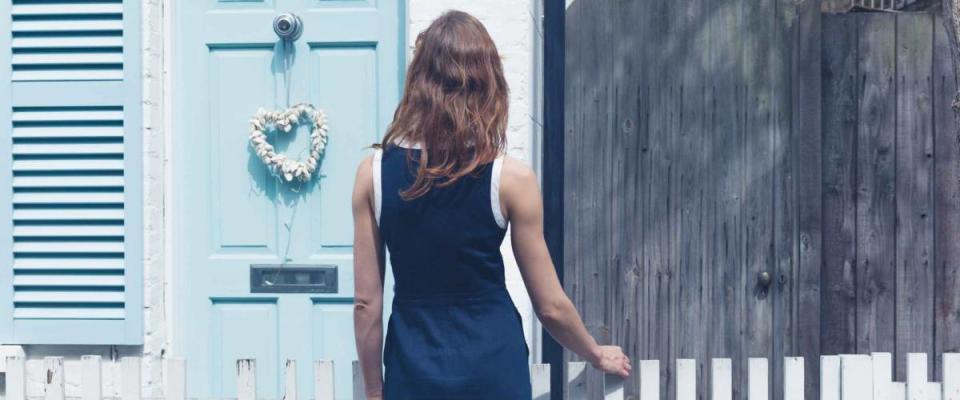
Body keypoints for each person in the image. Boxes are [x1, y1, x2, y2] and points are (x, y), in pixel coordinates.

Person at [351, 10, 631, 399]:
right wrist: (594, 352)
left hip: (414, 371)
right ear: (487, 83)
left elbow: (367, 303)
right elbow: (549, 305)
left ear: (419, 81)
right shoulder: (511, 179)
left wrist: (373, 389)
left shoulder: (373, 174)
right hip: (493, 368)